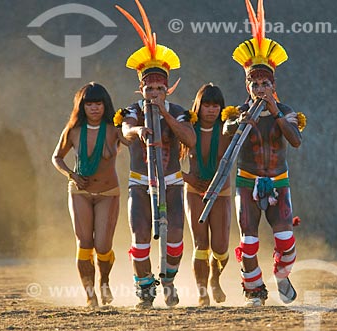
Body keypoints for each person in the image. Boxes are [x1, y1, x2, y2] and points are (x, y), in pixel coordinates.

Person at [224, 0, 305, 307]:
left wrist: (275, 112)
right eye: (254, 83)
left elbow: (295, 141)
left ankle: (281, 275)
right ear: (247, 85)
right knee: (248, 240)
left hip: (278, 181)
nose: (259, 88)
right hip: (247, 181)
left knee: (285, 240)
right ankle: (254, 291)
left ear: (273, 84)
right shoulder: (239, 112)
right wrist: (238, 123)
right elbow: (225, 130)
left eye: (265, 83)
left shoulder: (285, 111)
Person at [115, 0, 196, 309]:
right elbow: (125, 132)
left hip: (173, 182)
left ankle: (170, 281)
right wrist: (140, 132)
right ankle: (144, 288)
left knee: (175, 231)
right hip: (140, 181)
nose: (154, 94)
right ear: (141, 89)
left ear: (167, 90)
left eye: (159, 90)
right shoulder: (133, 111)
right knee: (140, 234)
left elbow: (188, 138)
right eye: (149, 90)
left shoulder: (176, 111)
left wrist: (165, 115)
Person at [51, 82, 123, 308]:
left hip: (108, 192)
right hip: (80, 191)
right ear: (81, 106)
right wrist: (71, 174)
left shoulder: (114, 128)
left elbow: (131, 139)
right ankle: (90, 294)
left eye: (98, 103)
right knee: (84, 243)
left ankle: (105, 282)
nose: (94, 108)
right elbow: (57, 157)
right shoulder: (73, 130)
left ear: (105, 105)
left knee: (102, 245)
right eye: (89, 104)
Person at [181, 83, 232, 306]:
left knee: (220, 247)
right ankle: (202, 292)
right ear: (198, 106)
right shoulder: (187, 127)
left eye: (215, 106)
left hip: (221, 190)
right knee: (201, 244)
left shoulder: (229, 128)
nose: (211, 110)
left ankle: (215, 279)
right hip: (194, 190)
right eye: (206, 105)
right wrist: (189, 179)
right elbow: (167, 158)